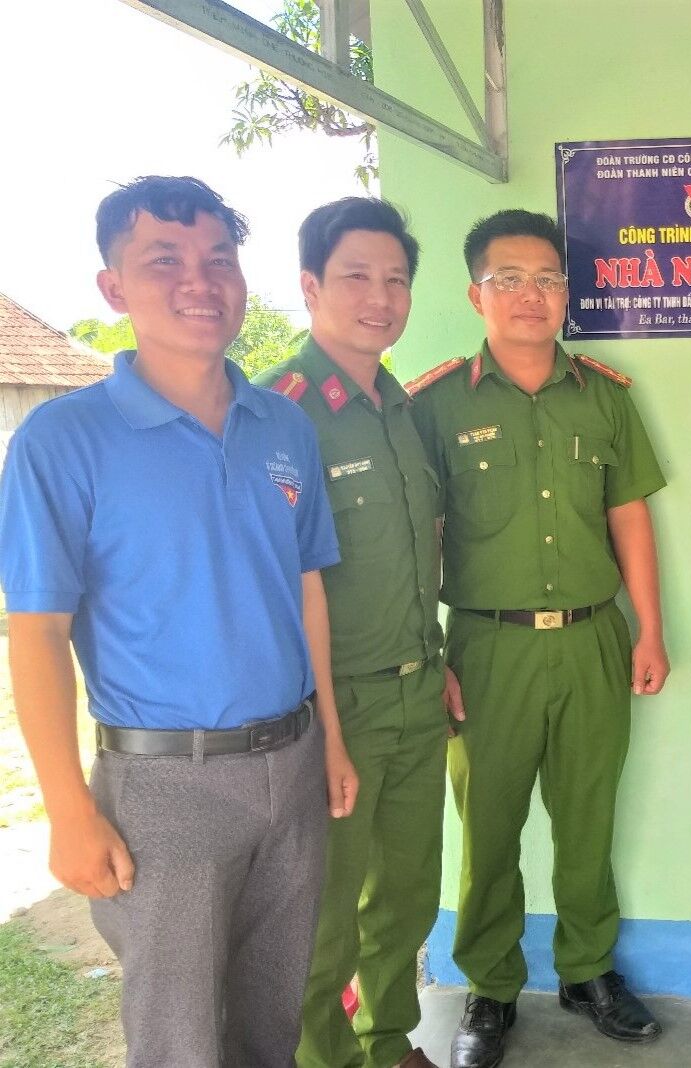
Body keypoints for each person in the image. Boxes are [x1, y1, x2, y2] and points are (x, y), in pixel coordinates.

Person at [0, 175, 356, 1066]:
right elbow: (36, 631)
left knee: (273, 1019)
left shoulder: (282, 426)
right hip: (164, 786)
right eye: (164, 260)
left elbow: (307, 587)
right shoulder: (65, 439)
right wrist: (68, 812)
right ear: (113, 287)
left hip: (291, 761)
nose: (200, 281)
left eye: (218, 259)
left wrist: (331, 740)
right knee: (180, 1040)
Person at [408, 209, 670, 1068]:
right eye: (509, 279)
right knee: (488, 826)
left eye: (548, 279)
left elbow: (628, 516)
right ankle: (490, 985)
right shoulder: (436, 405)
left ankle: (587, 970)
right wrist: (432, 654)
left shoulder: (604, 395)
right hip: (486, 650)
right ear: (475, 294)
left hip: (594, 639)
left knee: (587, 817)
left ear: (566, 292)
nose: (531, 295)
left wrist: (649, 629)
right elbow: (420, 539)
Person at [254, 197, 449, 1068]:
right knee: (322, 918)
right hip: (334, 710)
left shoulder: (402, 407)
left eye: (396, 279)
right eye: (357, 277)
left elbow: (416, 554)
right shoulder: (278, 412)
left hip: (417, 692)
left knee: (405, 895)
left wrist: (436, 659)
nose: (381, 297)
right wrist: (321, 721)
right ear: (310, 286)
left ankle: (389, 1040)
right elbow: (266, 583)